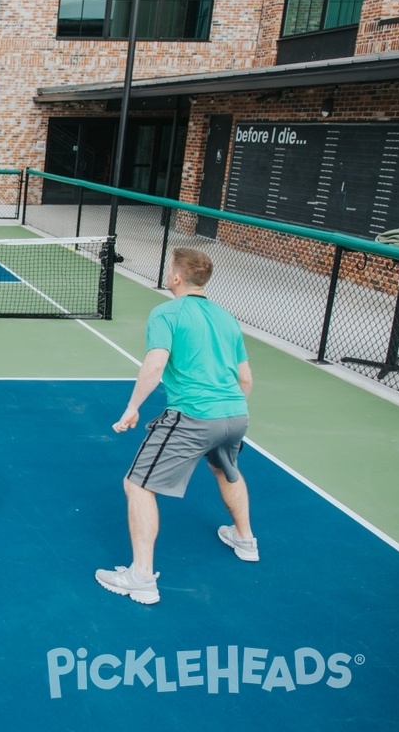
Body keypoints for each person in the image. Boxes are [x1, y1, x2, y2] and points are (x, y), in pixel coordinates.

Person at [96, 247, 256, 605]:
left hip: (194, 416)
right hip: (235, 413)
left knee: (137, 485)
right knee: (225, 469)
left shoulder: (166, 313)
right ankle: (245, 540)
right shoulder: (227, 318)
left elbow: (155, 365)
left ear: (177, 277)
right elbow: (245, 379)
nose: (169, 273)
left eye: (170, 268)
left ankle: (140, 578)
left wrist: (132, 408)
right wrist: (230, 411)